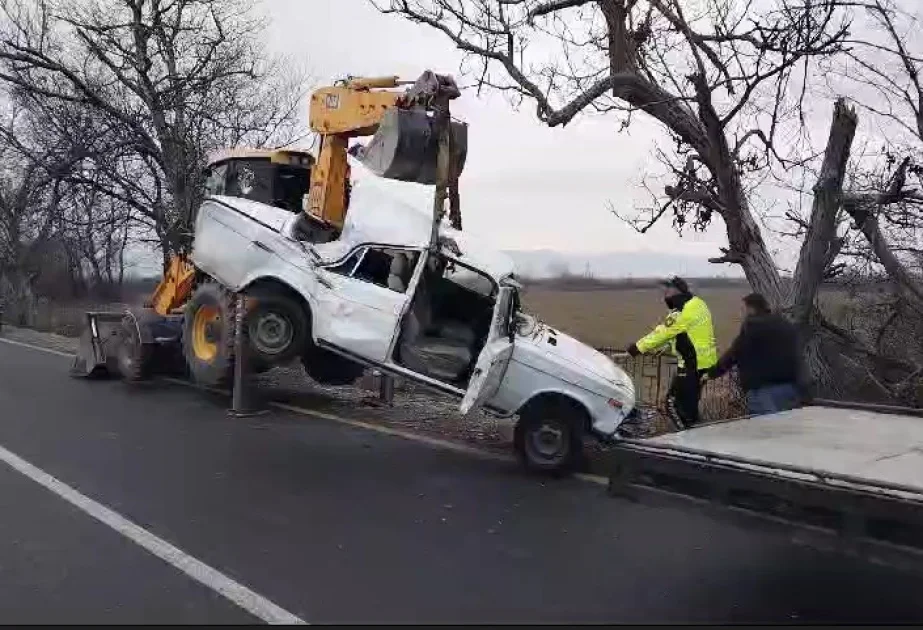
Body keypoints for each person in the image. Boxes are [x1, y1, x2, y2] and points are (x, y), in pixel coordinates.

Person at [627, 277, 718, 429]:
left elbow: (663, 332)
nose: (663, 294)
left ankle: (688, 439)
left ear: (675, 291)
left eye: (666, 290)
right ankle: (698, 436)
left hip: (691, 365)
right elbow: (686, 332)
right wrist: (669, 347)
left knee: (672, 404)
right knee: (690, 406)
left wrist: (636, 349)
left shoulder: (681, 310)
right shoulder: (698, 303)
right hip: (704, 363)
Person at [708, 292, 803, 416]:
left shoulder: (752, 327)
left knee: (764, 430)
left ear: (751, 309)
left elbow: (734, 353)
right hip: (790, 386)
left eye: (743, 309)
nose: (741, 313)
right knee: (787, 428)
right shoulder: (785, 324)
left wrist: (713, 372)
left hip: (762, 389)